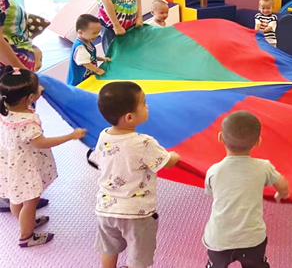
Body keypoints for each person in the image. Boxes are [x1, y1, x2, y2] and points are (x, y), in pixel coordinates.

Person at [90, 81, 180, 268]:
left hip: (106, 208)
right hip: (137, 213)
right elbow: (167, 163)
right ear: (129, 117)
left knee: (108, 248)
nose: (147, 106)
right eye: (144, 103)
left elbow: (98, 160)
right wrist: (174, 156)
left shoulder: (103, 135)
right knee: (139, 254)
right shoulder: (144, 143)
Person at [0, 66, 86, 247]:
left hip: (10, 162)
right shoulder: (27, 122)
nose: (42, 88)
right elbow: (42, 143)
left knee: (16, 198)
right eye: (38, 88)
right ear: (30, 98)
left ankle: (26, 220)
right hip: (25, 167)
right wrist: (70, 136)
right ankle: (26, 236)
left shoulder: (6, 110)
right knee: (30, 202)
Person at [0, 0, 51, 213]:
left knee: (20, 133)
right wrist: (19, 69)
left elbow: (13, 31)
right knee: (12, 133)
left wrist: (32, 51)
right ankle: (12, 194)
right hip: (8, 75)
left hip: (16, 70)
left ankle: (21, 192)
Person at [203, 111, 289, 268]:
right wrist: (281, 194)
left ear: (220, 137)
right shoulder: (264, 167)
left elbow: (211, 192)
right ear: (258, 141)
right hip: (252, 240)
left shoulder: (214, 171)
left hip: (219, 240)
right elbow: (282, 184)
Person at [66, 14, 111, 86]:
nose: (96, 35)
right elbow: (85, 62)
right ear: (80, 32)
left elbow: (90, 57)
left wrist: (102, 59)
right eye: (94, 33)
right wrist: (98, 70)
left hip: (87, 78)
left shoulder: (87, 42)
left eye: (98, 33)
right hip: (78, 82)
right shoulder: (80, 47)